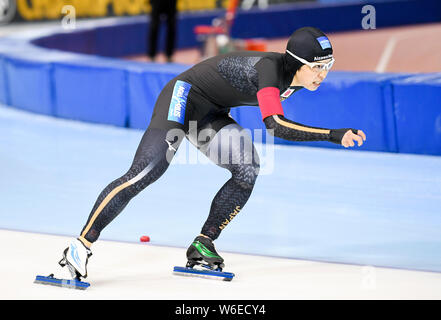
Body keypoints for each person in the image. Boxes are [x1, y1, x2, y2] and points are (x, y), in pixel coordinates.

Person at [57, 27, 366, 281]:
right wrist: (333, 135)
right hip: (182, 96)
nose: (322, 74)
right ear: (297, 62)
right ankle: (80, 245)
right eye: (317, 67)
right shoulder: (272, 70)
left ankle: (203, 244)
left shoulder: (299, 78)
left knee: (248, 168)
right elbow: (276, 125)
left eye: (328, 66)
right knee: (147, 171)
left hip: (211, 111)